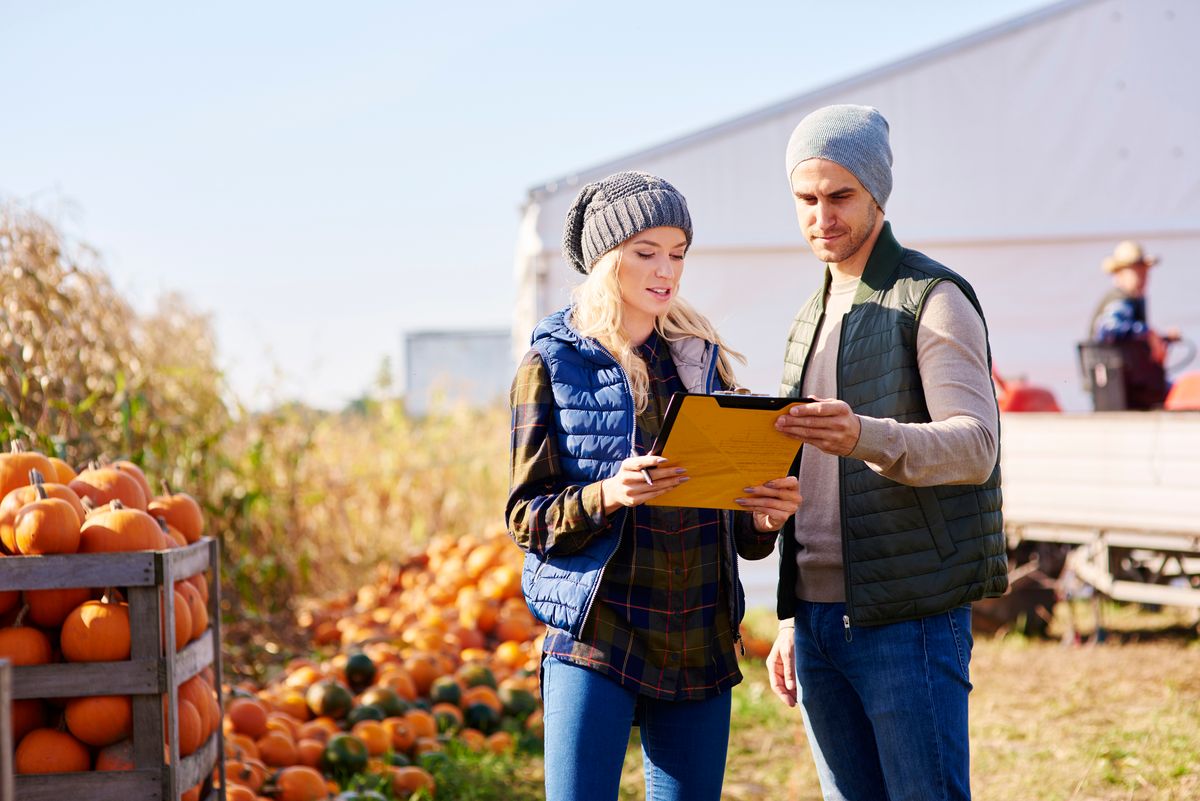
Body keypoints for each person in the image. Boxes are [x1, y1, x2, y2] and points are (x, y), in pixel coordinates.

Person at [506, 170, 801, 801]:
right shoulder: (551, 365)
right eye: (645, 253)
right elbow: (525, 519)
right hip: (597, 632)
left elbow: (739, 527)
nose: (665, 270)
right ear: (605, 259)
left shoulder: (703, 359)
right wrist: (608, 494)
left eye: (677, 254)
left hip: (697, 632)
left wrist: (765, 517)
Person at [764, 105, 1007, 801]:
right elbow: (802, 479)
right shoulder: (807, 317)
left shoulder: (933, 298)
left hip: (909, 617)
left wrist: (865, 435)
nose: (821, 216)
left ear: (877, 193)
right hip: (816, 623)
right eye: (806, 199)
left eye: (840, 196)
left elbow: (975, 445)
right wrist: (788, 618)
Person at [1086, 240, 1179, 408]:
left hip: (1133, 386)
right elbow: (1108, 329)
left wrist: (1162, 338)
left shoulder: (1131, 301)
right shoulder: (1120, 300)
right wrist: (1147, 333)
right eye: (1136, 271)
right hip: (1123, 388)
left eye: (1144, 271)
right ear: (1119, 274)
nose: (1143, 277)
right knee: (1179, 394)